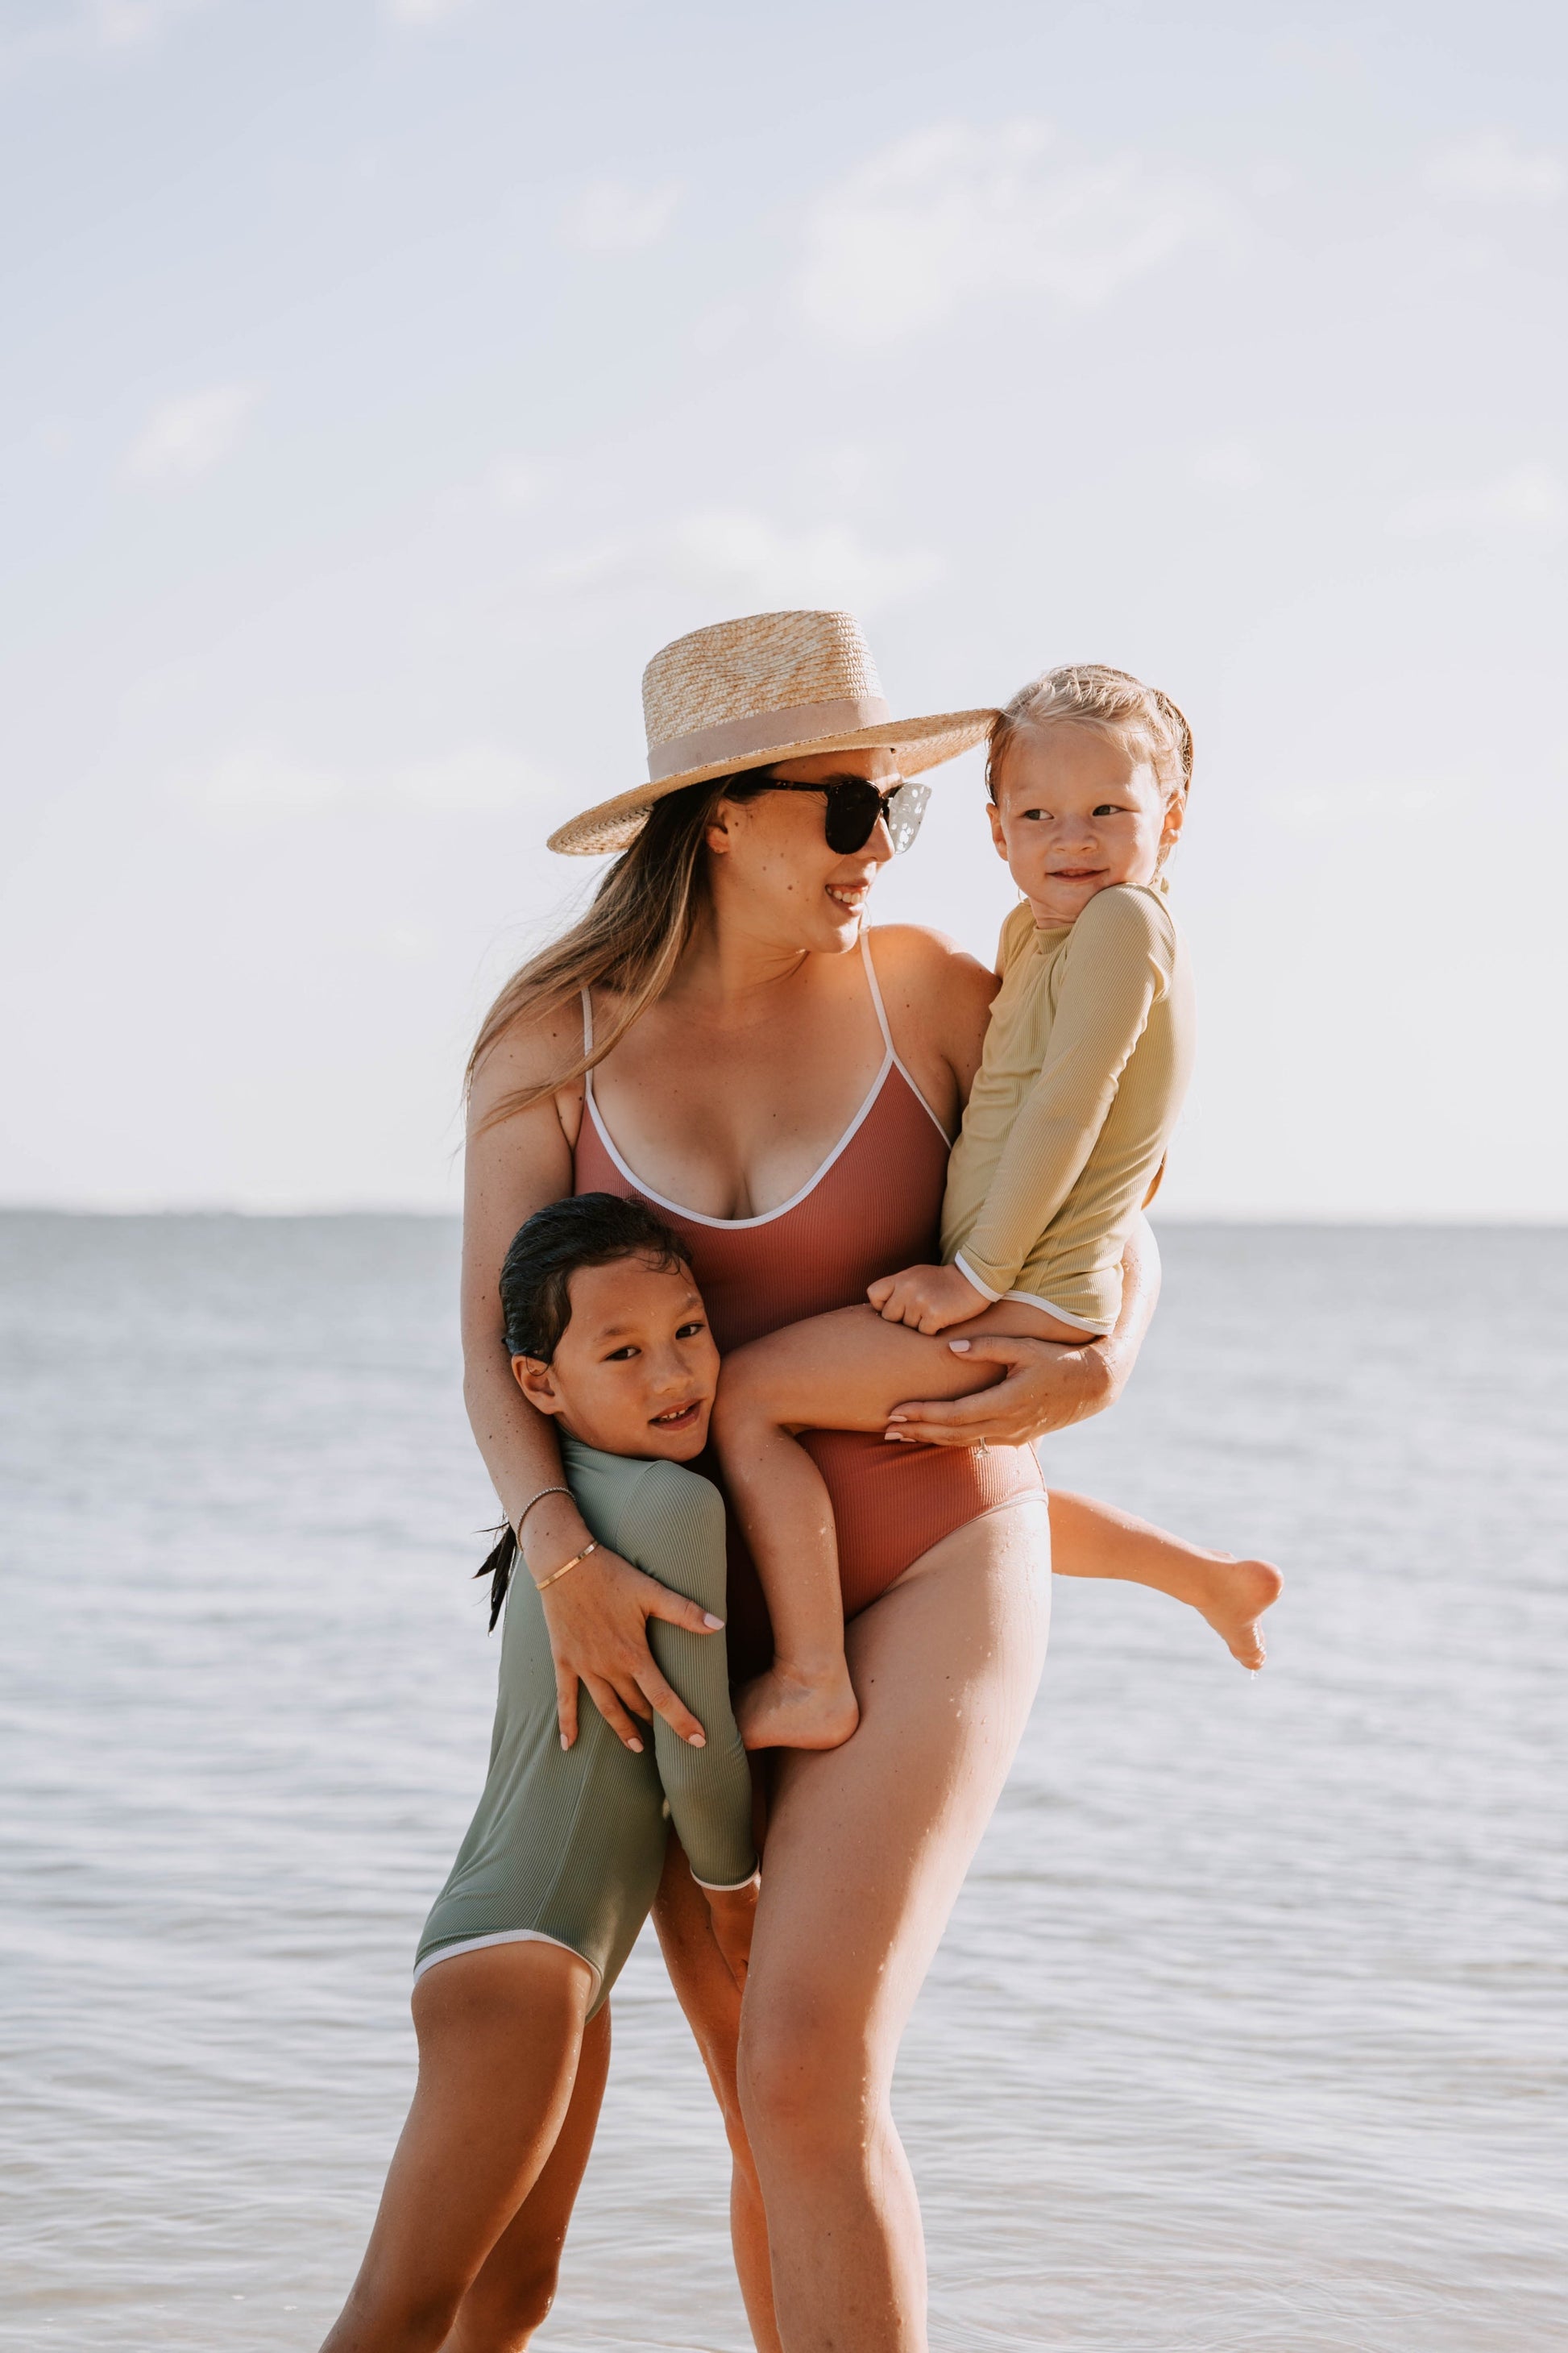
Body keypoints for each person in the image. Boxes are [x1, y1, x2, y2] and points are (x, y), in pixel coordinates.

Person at [454, 607, 1281, 2353]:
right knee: (760, 2083)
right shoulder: (553, 1039)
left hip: (930, 1561)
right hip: (677, 1596)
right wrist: (562, 1555)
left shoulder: (921, 988)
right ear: (723, 816)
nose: (879, 849)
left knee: (816, 2057)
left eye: (895, 815)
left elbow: (1115, 1181)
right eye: (849, 810)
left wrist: (1111, 1348)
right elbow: (493, 1349)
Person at [713, 663, 1282, 1753]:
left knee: (748, 1400)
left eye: (1109, 811)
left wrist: (972, 1279)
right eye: (1038, 814)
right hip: (1013, 1284)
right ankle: (1203, 1579)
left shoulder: (1121, 924)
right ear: (994, 833)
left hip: (1021, 1294)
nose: (1073, 837)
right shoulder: (1036, 936)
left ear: (1168, 820)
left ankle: (810, 1675)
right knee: (927, 1473)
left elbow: (1067, 1114)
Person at [319, 1193, 757, 2353]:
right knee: (399, 2309)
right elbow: (695, 1753)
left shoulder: (560, 1513)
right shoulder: (670, 1503)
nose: (673, 1373)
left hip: (541, 1953)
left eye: (690, 1331)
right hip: (524, 1961)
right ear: (538, 1383)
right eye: (621, 1351)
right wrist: (739, 1905)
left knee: (510, 2301)